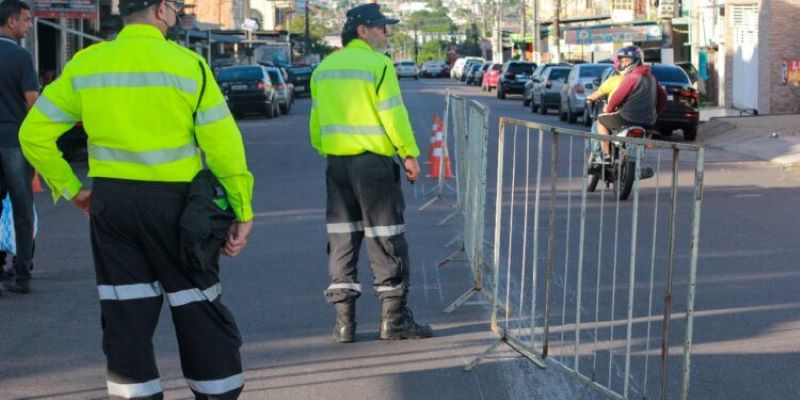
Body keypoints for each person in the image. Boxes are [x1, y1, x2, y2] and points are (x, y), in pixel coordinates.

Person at [19, 0, 254, 398]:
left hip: (113, 206)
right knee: (198, 306)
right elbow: (224, 147)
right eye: (177, 7)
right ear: (161, 9)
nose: (178, 14)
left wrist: (73, 190)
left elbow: (33, 134)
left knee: (125, 313)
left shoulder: (87, 64)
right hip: (179, 209)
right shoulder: (187, 65)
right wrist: (242, 209)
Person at [309, 2, 433, 343]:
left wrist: (333, 150)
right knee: (386, 235)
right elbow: (394, 114)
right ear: (362, 31)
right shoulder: (378, 65)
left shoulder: (324, 68)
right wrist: (408, 154)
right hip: (372, 167)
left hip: (337, 165)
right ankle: (393, 321)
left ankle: (344, 324)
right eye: (381, 27)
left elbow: (316, 124)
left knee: (342, 239)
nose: (386, 32)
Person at [0, 0, 37, 296]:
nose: (29, 25)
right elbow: (32, 102)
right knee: (22, 209)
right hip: (14, 141)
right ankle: (22, 274)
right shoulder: (21, 56)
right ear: (11, 22)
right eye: (26, 20)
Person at [594, 45, 667, 162]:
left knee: (601, 121)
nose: (624, 64)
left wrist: (608, 109)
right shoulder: (652, 77)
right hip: (648, 122)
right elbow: (663, 98)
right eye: (622, 61)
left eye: (627, 61)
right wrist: (655, 113)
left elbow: (617, 97)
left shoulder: (631, 77)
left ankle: (606, 154)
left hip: (626, 118)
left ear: (637, 61)